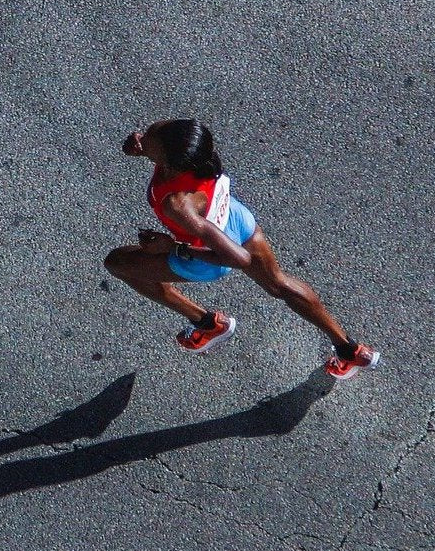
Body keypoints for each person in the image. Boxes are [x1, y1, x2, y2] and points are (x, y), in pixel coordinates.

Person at [104, 119, 380, 380]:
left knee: (118, 263)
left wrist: (174, 247)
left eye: (148, 138)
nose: (140, 136)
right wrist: (146, 152)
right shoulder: (197, 157)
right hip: (237, 220)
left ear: (170, 161)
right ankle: (350, 350)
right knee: (279, 284)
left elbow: (237, 258)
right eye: (148, 132)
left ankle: (209, 325)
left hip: (210, 255)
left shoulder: (178, 205)